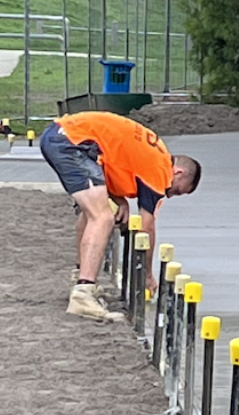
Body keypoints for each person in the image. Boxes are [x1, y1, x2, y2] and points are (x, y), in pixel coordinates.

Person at [39, 111, 202, 320]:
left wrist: (118, 198)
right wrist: (147, 275)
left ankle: (80, 278)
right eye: (178, 190)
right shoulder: (159, 170)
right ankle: (83, 293)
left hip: (62, 135)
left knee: (92, 214)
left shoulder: (154, 153)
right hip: (71, 142)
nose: (170, 195)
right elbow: (147, 226)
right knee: (102, 217)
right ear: (178, 172)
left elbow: (112, 156)